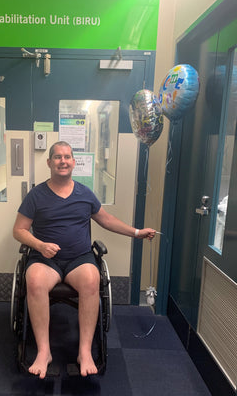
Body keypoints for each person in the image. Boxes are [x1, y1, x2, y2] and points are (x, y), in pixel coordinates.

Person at [13, 141, 155, 378]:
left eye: (67, 157)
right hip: (45, 260)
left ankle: (85, 351)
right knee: (35, 281)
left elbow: (107, 220)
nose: (63, 161)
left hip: (79, 259)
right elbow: (19, 230)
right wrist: (39, 245)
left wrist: (137, 232)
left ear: (73, 162)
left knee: (91, 280)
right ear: (49, 162)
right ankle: (44, 351)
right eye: (57, 157)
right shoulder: (35, 195)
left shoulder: (85, 193)